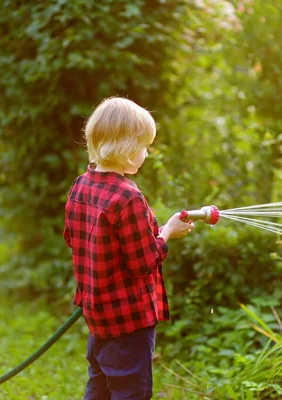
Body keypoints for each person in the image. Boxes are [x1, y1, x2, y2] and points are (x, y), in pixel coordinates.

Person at [64, 97, 194, 399]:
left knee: (99, 387)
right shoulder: (128, 197)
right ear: (125, 147)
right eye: (144, 146)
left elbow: (75, 238)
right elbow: (143, 262)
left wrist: (157, 233)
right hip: (128, 322)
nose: (146, 153)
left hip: (97, 316)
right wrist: (168, 234)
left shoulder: (81, 185)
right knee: (130, 392)